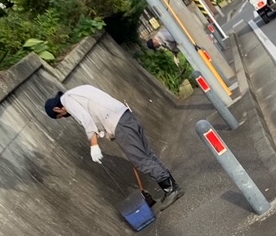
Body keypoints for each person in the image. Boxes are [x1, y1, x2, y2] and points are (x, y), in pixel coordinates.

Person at [44, 84, 183, 209]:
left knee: (141, 160)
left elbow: (86, 121)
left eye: (60, 116)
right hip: (125, 115)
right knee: (147, 155)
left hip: (119, 124)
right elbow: (97, 111)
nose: (63, 116)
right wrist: (107, 131)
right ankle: (172, 186)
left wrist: (94, 146)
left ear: (57, 109)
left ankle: (171, 190)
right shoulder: (78, 91)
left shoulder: (68, 100)